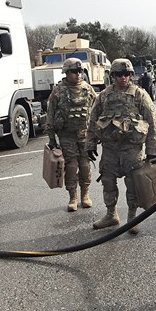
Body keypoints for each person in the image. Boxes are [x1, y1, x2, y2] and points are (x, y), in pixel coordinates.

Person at [86, 58, 156, 235]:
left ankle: (132, 217)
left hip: (131, 149)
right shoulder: (103, 96)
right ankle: (111, 214)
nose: (123, 78)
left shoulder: (140, 95)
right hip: (110, 149)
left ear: (131, 75)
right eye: (119, 74)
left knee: (132, 183)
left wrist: (152, 151)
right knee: (108, 181)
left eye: (126, 74)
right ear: (112, 76)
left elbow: (152, 122)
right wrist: (90, 144)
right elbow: (92, 120)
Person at [45, 58, 97, 211]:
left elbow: (96, 110)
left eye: (80, 71)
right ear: (66, 72)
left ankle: (85, 195)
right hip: (67, 135)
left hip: (85, 134)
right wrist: (51, 137)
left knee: (85, 165)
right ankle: (72, 197)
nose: (78, 74)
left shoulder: (87, 89)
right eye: (74, 71)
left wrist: (96, 133)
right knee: (71, 166)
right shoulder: (58, 91)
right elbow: (50, 113)